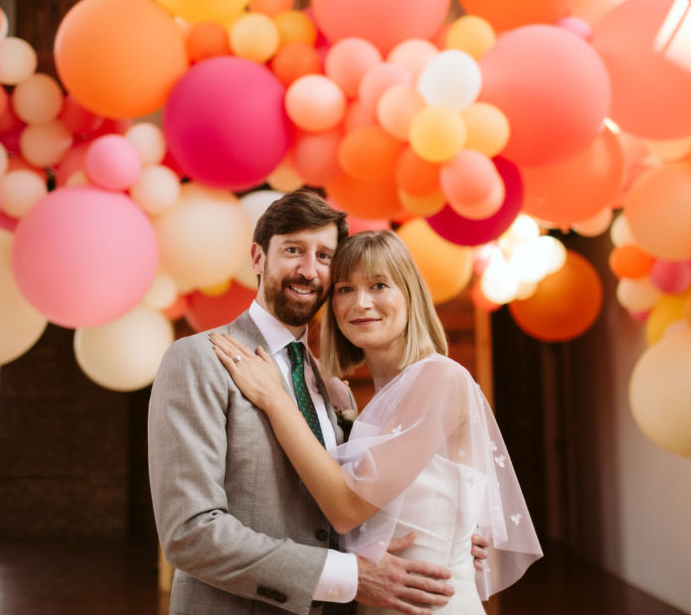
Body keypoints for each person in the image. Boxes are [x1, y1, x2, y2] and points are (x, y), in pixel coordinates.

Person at [149, 189, 486, 615]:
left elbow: (352, 505)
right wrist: (349, 576)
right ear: (257, 258)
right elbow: (190, 534)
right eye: (293, 250)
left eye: (325, 256)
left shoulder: (336, 390)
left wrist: (451, 531)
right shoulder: (199, 360)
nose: (309, 270)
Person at [210, 229, 543, 614]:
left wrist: (274, 399)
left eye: (379, 285)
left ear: (410, 295)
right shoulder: (367, 401)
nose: (360, 303)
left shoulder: (441, 378)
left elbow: (348, 507)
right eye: (345, 289)